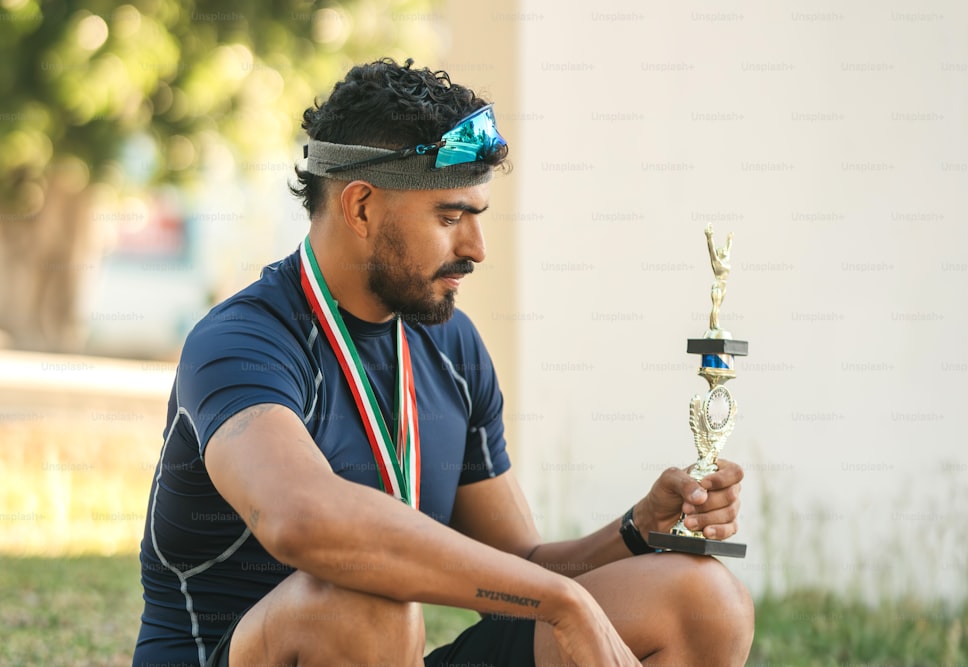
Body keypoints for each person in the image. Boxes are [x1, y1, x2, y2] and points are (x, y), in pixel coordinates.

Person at [132, 58, 754, 667]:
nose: (475, 248)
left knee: (703, 600)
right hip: (262, 647)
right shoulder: (243, 340)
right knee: (364, 599)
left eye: (477, 217)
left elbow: (518, 574)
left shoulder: (451, 346)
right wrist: (563, 601)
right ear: (361, 208)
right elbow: (302, 520)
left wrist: (634, 531)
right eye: (449, 216)